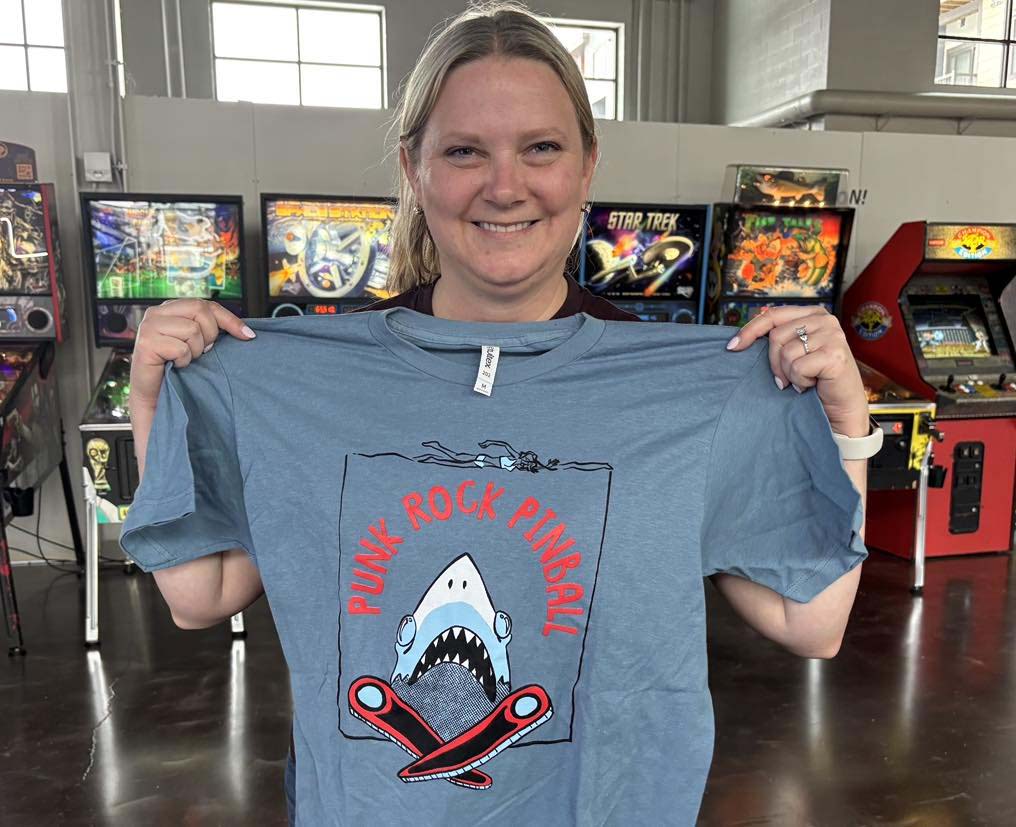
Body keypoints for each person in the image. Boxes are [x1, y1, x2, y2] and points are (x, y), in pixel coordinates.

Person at [122, 3, 872, 824]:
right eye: (465, 151)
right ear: (415, 168)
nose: (505, 185)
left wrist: (844, 421)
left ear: (587, 166)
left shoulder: (696, 388)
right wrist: (154, 391)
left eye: (541, 148)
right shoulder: (306, 383)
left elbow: (815, 622)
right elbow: (198, 595)